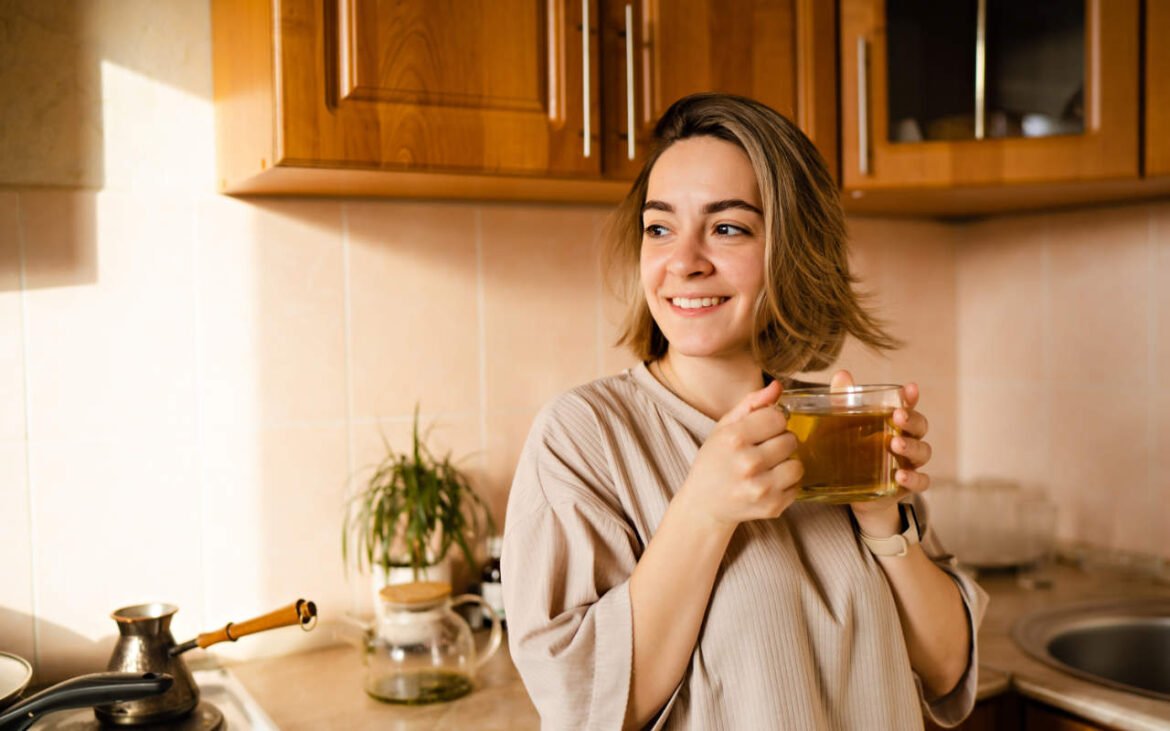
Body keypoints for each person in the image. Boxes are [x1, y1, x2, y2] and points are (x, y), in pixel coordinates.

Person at [501, 93, 986, 730]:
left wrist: (883, 520)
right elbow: (583, 706)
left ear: (792, 249)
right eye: (659, 228)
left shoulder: (833, 424)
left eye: (727, 227)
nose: (684, 262)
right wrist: (703, 511)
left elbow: (947, 670)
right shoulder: (584, 437)